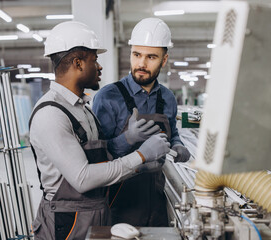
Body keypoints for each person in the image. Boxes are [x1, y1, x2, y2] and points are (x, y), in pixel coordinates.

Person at [29, 21, 171, 240]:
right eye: (94, 60)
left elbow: (103, 160)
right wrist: (141, 156)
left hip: (96, 214)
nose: (100, 67)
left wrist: (134, 154)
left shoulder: (83, 110)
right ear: (78, 63)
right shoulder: (51, 114)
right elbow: (83, 178)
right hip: (66, 224)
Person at [92, 18, 191, 227]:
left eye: (151, 57)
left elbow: (172, 132)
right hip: (119, 200)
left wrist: (177, 144)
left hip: (155, 195)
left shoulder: (168, 98)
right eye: (136, 55)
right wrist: (127, 139)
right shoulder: (108, 97)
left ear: (164, 60)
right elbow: (98, 158)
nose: (142, 64)